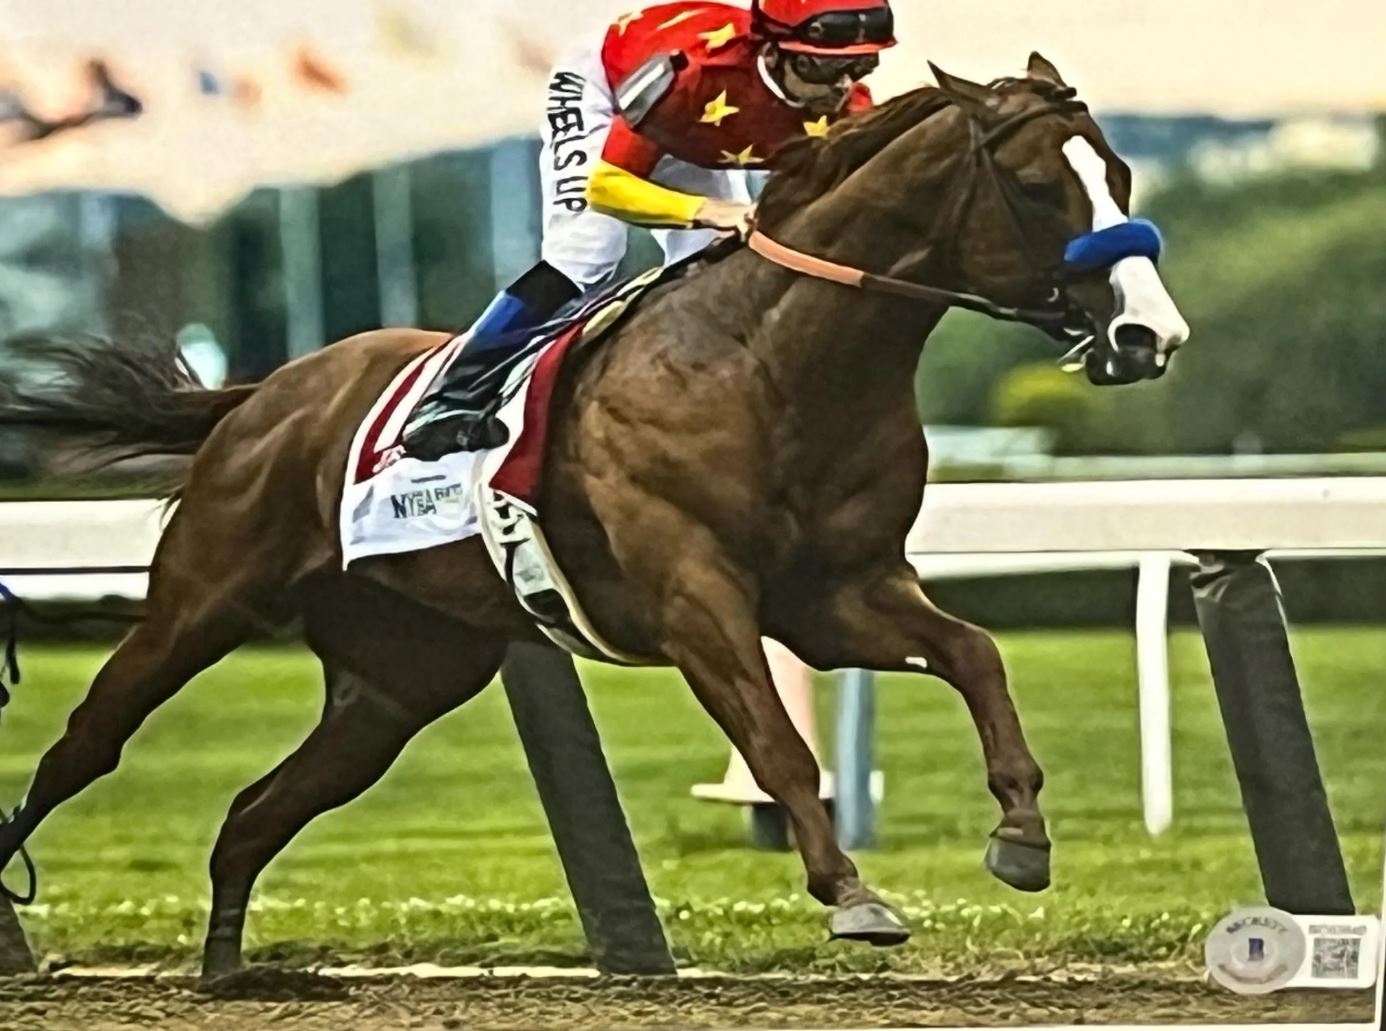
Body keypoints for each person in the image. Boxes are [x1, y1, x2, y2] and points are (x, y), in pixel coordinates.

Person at [402, 0, 895, 459]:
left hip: (701, 133)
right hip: (608, 93)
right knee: (589, 252)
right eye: (827, 66)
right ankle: (451, 397)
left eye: (862, 65)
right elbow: (609, 188)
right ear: (775, 49)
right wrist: (711, 209)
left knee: (719, 262)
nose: (843, 85)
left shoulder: (848, 105)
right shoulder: (692, 77)